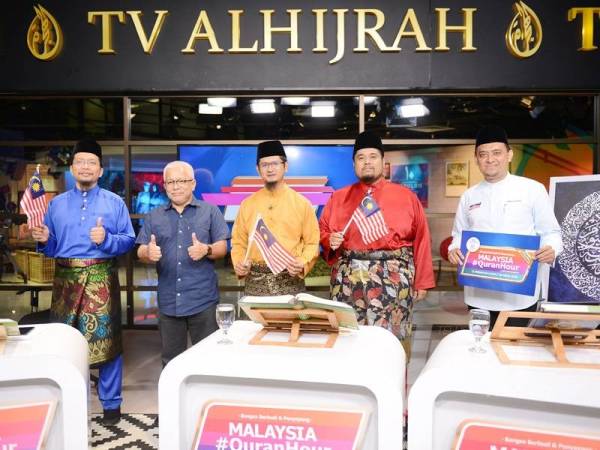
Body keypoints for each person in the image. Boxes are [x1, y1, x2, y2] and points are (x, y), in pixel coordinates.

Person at [31, 139, 135, 426]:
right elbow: (52, 247)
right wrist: (43, 241)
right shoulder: (57, 204)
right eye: (80, 162)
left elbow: (128, 240)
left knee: (108, 342)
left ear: (100, 170)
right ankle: (67, 398)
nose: (86, 167)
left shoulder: (114, 203)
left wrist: (108, 240)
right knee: (63, 343)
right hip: (65, 280)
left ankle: (111, 405)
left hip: (101, 278)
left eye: (91, 162)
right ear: (73, 167)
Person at [319, 131, 435, 358]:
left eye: (373, 156)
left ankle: (392, 386)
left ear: (383, 161)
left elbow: (421, 238)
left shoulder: (406, 197)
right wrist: (329, 240)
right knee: (349, 339)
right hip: (348, 278)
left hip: (394, 277)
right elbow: (323, 231)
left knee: (392, 341)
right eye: (361, 158)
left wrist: (422, 281)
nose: (367, 162)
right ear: (354, 164)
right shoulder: (338, 197)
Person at [447, 125, 563, 327]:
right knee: (481, 348)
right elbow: (458, 234)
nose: (490, 159)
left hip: (518, 293)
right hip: (478, 293)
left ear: (509, 155)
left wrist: (551, 249)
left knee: (514, 350)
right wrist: (454, 249)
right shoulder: (469, 196)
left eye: (496, 153)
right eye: (483, 154)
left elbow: (551, 232)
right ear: (476, 159)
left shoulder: (532, 189)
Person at [136, 161, 229, 366]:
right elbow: (141, 249)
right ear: (165, 186)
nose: (176, 186)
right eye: (170, 182)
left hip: (202, 301)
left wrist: (207, 249)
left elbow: (223, 247)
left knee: (208, 360)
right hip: (169, 302)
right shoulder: (154, 216)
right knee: (171, 362)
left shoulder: (210, 211)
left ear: (193, 184)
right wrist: (147, 252)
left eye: (181, 181)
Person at [231, 140, 319, 295]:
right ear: (258, 169)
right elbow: (238, 242)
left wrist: (302, 262)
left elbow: (312, 243)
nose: (270, 169)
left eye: (275, 163)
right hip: (255, 281)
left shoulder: (302, 203)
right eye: (264, 165)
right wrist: (239, 263)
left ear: (285, 166)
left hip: (290, 279)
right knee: (254, 320)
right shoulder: (247, 204)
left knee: (291, 320)